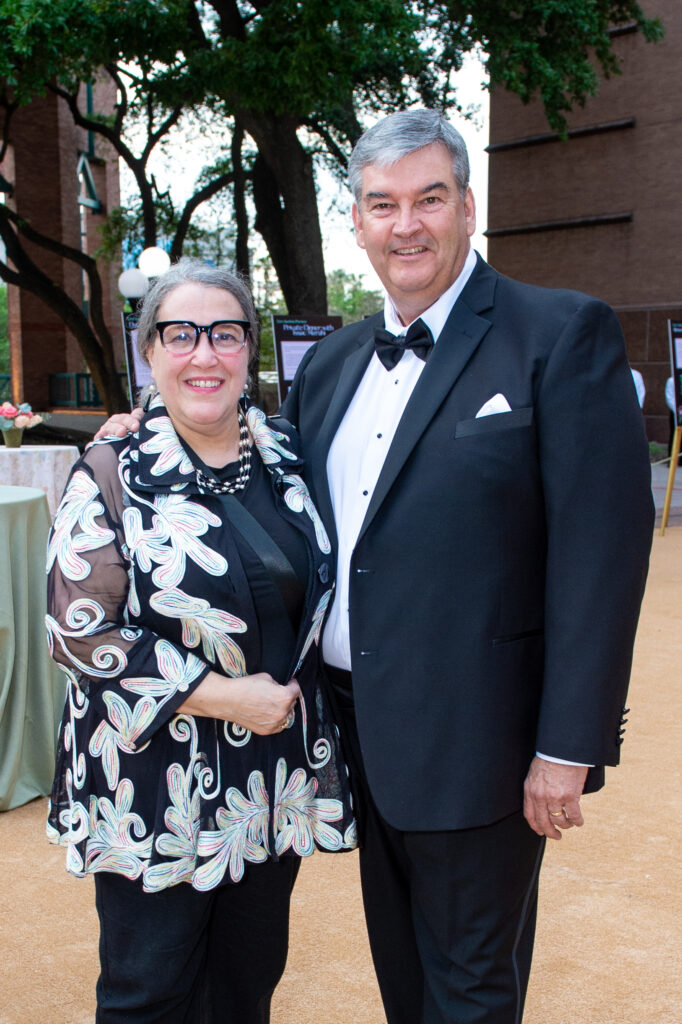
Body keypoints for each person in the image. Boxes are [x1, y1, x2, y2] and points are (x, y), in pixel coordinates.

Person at [99, 111, 654, 1024]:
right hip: (352, 738)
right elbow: (250, 467)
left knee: (470, 988)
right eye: (383, 204)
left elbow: (604, 555)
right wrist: (142, 431)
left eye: (429, 199)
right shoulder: (334, 363)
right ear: (356, 221)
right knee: (403, 975)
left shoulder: (560, 334)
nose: (407, 225)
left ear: (467, 207)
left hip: (486, 741)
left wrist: (568, 745)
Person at [47, 258, 355, 1024]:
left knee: (246, 987)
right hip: (155, 784)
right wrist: (226, 698)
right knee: (148, 991)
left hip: (268, 783)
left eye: (225, 333)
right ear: (148, 351)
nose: (204, 354)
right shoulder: (112, 472)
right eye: (179, 334)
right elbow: (79, 629)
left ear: (250, 349)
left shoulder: (290, 459)